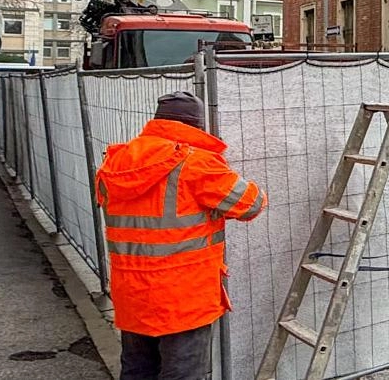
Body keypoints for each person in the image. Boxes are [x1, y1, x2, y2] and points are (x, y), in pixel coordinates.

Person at [96, 91, 266, 380]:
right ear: (196, 126)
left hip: (132, 295)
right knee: (183, 374)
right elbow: (251, 205)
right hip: (183, 300)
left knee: (137, 370)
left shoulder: (117, 160)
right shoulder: (199, 164)